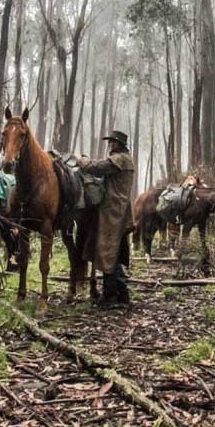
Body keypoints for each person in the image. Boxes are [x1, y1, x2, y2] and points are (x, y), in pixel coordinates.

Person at [76, 130, 135, 306]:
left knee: (110, 253)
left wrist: (81, 160)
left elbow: (96, 167)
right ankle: (119, 295)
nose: (110, 145)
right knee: (113, 253)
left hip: (113, 212)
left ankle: (111, 296)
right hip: (119, 210)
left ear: (119, 144)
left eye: (112, 142)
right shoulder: (125, 159)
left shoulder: (120, 159)